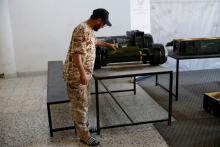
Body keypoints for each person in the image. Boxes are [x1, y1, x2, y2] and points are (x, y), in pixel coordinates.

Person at [63, 8, 117, 146]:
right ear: (98, 20)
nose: (103, 26)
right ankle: (84, 136)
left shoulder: (89, 30)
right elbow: (76, 55)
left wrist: (108, 44)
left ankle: (82, 129)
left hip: (84, 75)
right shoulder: (81, 29)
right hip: (77, 76)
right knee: (80, 105)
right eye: (104, 24)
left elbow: (94, 41)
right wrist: (82, 74)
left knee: (84, 103)